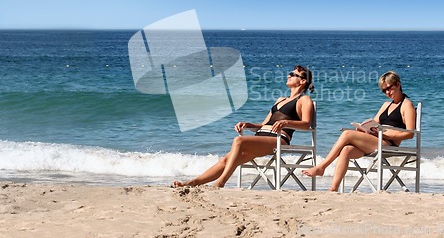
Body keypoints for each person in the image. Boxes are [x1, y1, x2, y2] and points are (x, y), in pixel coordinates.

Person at [172, 65, 315, 188]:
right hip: (261, 138)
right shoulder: (280, 100)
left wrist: (286, 123)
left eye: (293, 74)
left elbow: (307, 124)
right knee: (225, 160)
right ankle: (192, 183)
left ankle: (221, 182)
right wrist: (249, 124)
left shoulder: (304, 99)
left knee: (239, 141)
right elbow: (264, 124)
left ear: (302, 81)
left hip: (279, 140)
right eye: (289, 73)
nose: (289, 75)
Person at [302, 70, 416, 192]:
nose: (387, 92)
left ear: (398, 84)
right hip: (376, 140)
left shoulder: (406, 105)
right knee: (346, 150)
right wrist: (363, 128)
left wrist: (386, 135)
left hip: (389, 144)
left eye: (389, 88)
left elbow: (410, 134)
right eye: (384, 90)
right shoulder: (386, 105)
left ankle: (322, 167)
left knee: (347, 134)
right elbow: (375, 123)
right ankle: (333, 188)